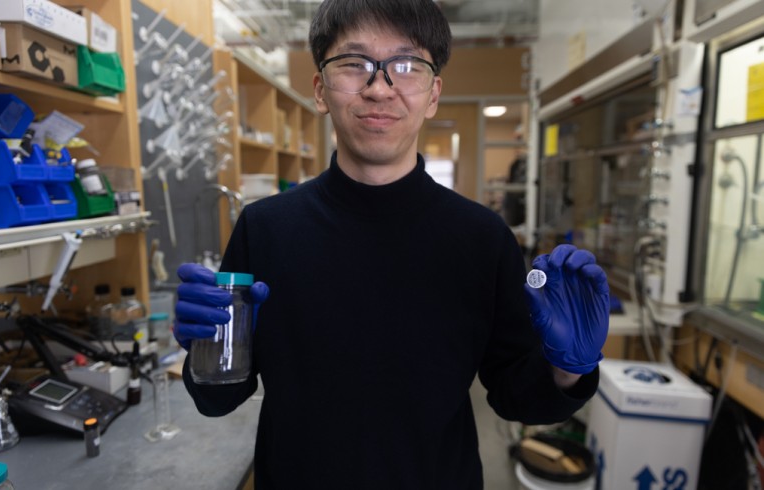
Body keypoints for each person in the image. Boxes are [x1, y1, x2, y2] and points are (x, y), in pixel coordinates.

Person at [173, 0, 609, 488]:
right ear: (320, 90)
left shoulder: (482, 238)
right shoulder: (265, 228)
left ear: (433, 94)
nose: (380, 88)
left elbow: (516, 398)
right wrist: (204, 351)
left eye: (406, 66)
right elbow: (219, 399)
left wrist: (566, 370)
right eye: (354, 64)